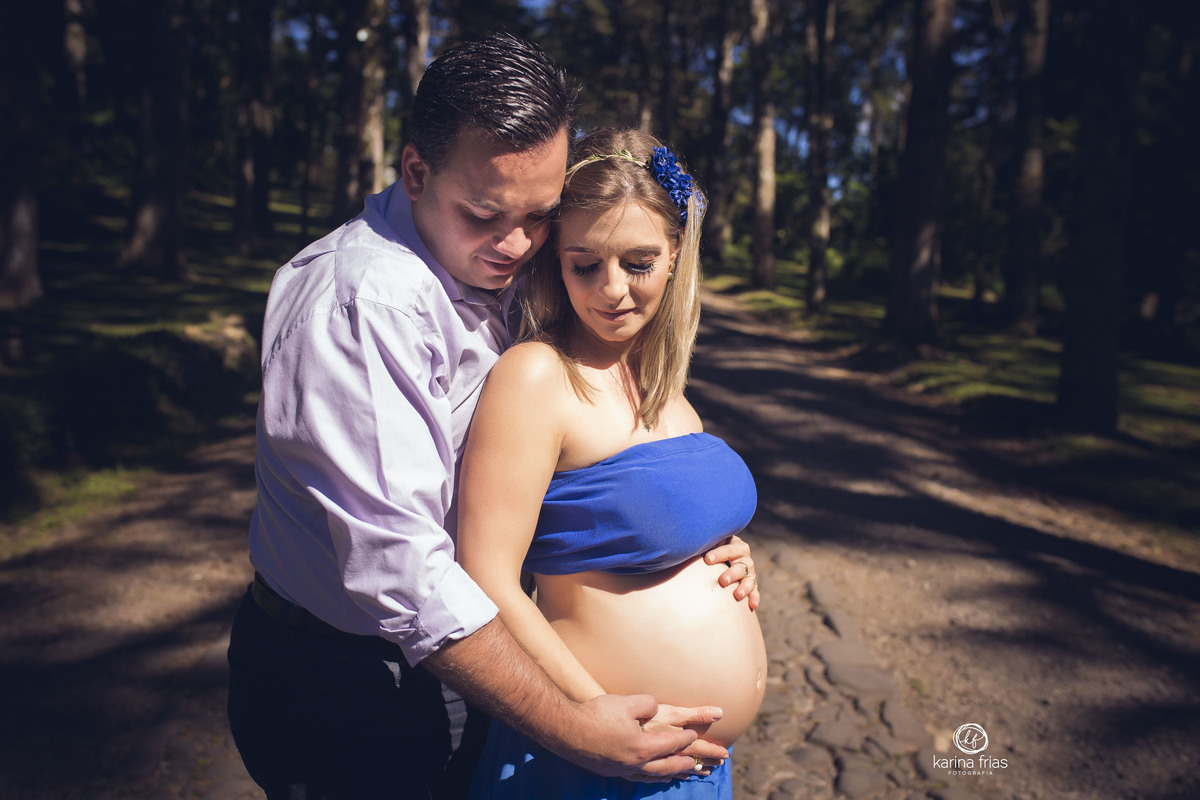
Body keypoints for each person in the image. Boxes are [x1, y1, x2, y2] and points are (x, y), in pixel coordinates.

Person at [225, 34, 759, 800]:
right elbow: (402, 574)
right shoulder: (364, 300)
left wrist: (697, 547)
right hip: (351, 682)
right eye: (486, 213)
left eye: (539, 217)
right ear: (415, 171)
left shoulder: (498, 267)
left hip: (461, 660)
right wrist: (574, 726)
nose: (516, 244)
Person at [457, 128, 767, 799]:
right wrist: (585, 720)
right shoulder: (538, 376)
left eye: (638, 261)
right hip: (589, 762)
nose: (612, 290)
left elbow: (644, 528)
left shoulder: (667, 392)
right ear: (556, 263)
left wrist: (726, 554)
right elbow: (486, 575)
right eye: (584, 264)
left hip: (693, 768)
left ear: (677, 254)